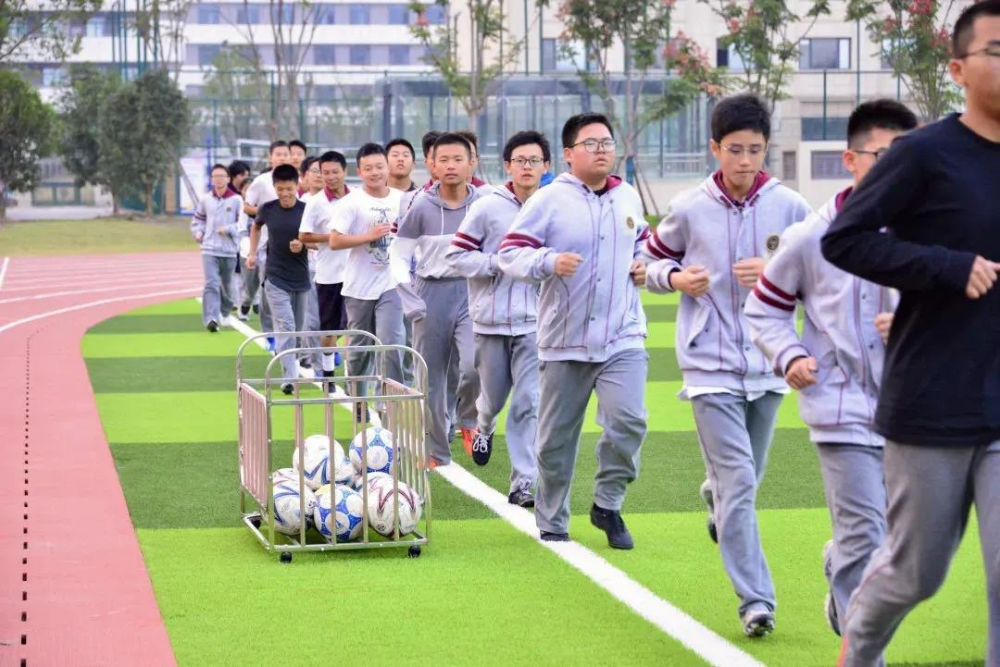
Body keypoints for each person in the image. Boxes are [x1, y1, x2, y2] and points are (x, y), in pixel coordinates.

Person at [820, 3, 1000, 665]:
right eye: (998, 51)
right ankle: (859, 649)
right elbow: (844, 239)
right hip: (934, 395)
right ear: (957, 69)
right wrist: (945, 267)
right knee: (916, 571)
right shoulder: (923, 154)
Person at [744, 99, 918, 637]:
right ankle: (861, 642)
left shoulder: (930, 230)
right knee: (866, 533)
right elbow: (764, 309)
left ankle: (840, 555)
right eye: (881, 156)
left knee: (905, 540)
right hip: (839, 404)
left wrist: (916, 322)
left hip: (912, 408)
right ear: (850, 159)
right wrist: (791, 355)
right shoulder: (811, 237)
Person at [643, 93, 811, 637]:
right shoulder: (690, 207)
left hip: (770, 364)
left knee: (745, 481)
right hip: (708, 367)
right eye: (734, 150)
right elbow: (644, 261)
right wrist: (675, 278)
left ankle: (715, 498)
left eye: (755, 150)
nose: (745, 161)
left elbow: (826, 269)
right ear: (715, 148)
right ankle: (756, 601)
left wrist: (777, 269)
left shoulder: (791, 207)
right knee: (739, 480)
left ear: (767, 149)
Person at [498, 113, 649, 551]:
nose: (602, 150)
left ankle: (608, 503)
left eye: (607, 142)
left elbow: (645, 243)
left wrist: (646, 263)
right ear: (568, 154)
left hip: (623, 334)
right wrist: (548, 261)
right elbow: (510, 253)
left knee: (630, 421)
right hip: (564, 339)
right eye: (591, 143)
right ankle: (552, 520)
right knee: (555, 441)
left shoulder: (628, 197)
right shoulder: (548, 200)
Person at [445, 130, 550, 507]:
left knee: (528, 402)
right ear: (508, 165)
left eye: (534, 161)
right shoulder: (487, 207)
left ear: (546, 166)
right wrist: (498, 263)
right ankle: (484, 427)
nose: (527, 167)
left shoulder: (552, 207)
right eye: (520, 160)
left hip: (534, 323)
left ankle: (523, 483)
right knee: (491, 398)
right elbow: (456, 257)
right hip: (489, 322)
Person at [391, 133, 483, 464]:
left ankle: (468, 420)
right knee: (430, 378)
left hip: (471, 292)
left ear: (472, 163)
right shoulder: (420, 206)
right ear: (431, 164)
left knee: (473, 365)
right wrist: (410, 299)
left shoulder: (484, 204)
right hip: (430, 294)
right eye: (443, 160)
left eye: (458, 159)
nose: (451, 166)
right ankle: (437, 451)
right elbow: (398, 255)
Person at [329, 143, 406, 415]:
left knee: (391, 343)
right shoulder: (351, 202)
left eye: (379, 167)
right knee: (360, 351)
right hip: (359, 288)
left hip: (392, 285)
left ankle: (388, 403)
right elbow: (335, 240)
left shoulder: (402, 200)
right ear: (360, 171)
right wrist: (368, 237)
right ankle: (358, 396)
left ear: (388, 168)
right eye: (368, 168)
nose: (375, 172)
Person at [247, 164, 311, 394]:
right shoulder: (267, 209)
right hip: (275, 277)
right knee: (286, 325)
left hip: (301, 278)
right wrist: (252, 253)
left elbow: (318, 240)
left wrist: (303, 244)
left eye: (289, 189)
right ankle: (289, 378)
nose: (285, 194)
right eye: (280, 189)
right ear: (274, 187)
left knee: (298, 330)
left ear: (297, 186)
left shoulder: (306, 210)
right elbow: (256, 227)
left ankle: (287, 355)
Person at [299, 151, 350, 381]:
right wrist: (331, 238)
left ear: (344, 171)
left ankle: (351, 375)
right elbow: (303, 236)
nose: (330, 177)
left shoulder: (356, 198)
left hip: (355, 274)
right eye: (325, 172)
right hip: (328, 274)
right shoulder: (315, 202)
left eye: (334, 172)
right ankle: (327, 370)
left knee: (353, 329)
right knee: (329, 329)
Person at [244, 140, 292, 345]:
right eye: (278, 154)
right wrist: (268, 212)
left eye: (285, 154)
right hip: (267, 244)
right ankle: (269, 333)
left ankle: (291, 333)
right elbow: (247, 206)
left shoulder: (297, 180)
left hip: (294, 245)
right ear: (270, 157)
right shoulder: (262, 181)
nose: (282, 158)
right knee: (268, 289)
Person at [191, 164, 241, 332]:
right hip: (209, 249)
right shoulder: (206, 199)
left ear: (228, 179)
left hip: (229, 250)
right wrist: (198, 232)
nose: (218, 180)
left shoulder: (236, 200)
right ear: (211, 179)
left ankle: (225, 311)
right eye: (215, 176)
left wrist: (228, 229)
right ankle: (211, 318)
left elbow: (243, 224)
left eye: (221, 176)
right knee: (211, 283)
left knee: (227, 286)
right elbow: (198, 220)